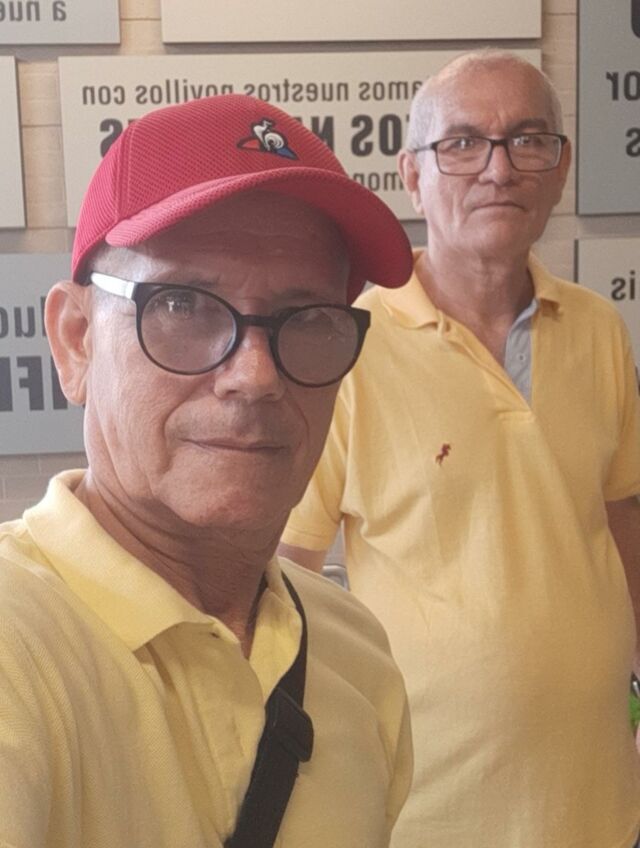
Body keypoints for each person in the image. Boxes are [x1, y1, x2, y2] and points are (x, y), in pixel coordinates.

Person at [0, 94, 415, 848]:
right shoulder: (16, 650)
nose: (255, 376)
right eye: (183, 305)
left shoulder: (357, 655)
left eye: (307, 319)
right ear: (75, 341)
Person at [280, 50, 640, 848]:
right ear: (412, 175)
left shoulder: (600, 331)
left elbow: (619, 522)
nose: (499, 169)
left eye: (528, 140)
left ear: (560, 168)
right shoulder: (346, 348)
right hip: (426, 810)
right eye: (464, 143)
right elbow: (286, 571)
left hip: (597, 798)